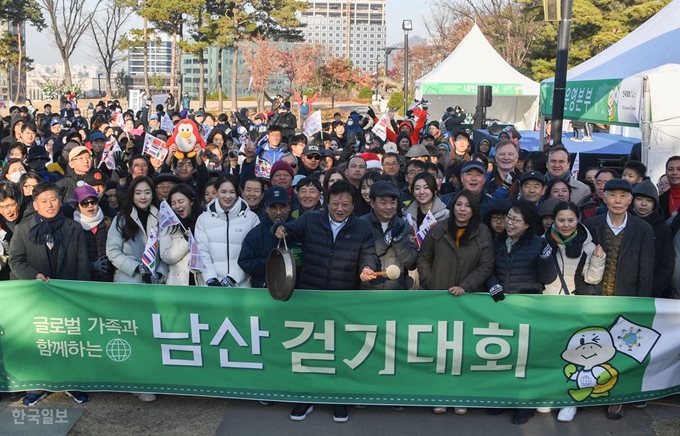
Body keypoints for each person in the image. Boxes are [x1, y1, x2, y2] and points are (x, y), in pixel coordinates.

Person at [273, 180, 379, 423]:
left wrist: (367, 268)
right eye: (335, 203)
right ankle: (306, 397)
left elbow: (369, 256)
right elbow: (285, 228)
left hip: (342, 298)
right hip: (310, 295)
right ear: (326, 202)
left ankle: (338, 398)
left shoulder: (362, 229)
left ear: (354, 205)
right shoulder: (311, 220)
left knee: (340, 350)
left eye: (345, 204)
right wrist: (277, 230)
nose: (340, 208)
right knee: (310, 349)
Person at [8, 181, 90, 406]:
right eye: (43, 201)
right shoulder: (23, 229)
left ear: (60, 200)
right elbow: (15, 259)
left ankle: (71, 383)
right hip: (35, 296)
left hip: (67, 296)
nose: (49, 204)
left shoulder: (73, 228)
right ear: (35, 205)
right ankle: (38, 385)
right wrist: (34, 276)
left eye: (53, 199)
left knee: (67, 339)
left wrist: (80, 293)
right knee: (40, 339)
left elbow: (82, 263)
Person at [583, 178, 654, 419]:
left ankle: (621, 396)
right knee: (596, 348)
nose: (618, 200)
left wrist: (641, 305)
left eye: (624, 196)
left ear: (631, 200)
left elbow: (646, 271)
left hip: (628, 297)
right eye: (613, 195)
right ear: (604, 197)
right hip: (597, 297)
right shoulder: (591, 224)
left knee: (626, 350)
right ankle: (593, 389)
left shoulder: (643, 229)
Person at [418, 188, 495, 408]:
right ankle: (439, 395)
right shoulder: (439, 229)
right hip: (439, 299)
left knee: (464, 352)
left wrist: (465, 286)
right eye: (459, 205)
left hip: (467, 301)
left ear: (474, 210)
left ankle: (461, 396)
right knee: (439, 351)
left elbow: (486, 265)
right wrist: (430, 283)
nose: (462, 210)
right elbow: (423, 258)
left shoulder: (482, 233)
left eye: (467, 206)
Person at [485, 199, 558, 425]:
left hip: (527, 308)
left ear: (527, 224)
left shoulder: (538, 244)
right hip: (501, 307)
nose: (509, 223)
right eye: (508, 217)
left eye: (516, 219)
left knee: (524, 359)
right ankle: (504, 399)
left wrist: (547, 257)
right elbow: (487, 268)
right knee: (503, 355)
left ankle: (524, 405)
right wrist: (492, 284)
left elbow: (548, 278)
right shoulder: (497, 241)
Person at [194, 174, 260, 288]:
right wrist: (210, 278)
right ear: (216, 192)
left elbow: (254, 253)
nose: (228, 196)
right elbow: (202, 252)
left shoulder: (251, 218)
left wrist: (233, 278)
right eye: (223, 192)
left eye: (232, 192)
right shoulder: (203, 219)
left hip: (242, 286)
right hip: (211, 287)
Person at [239, 186, 302, 288]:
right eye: (273, 207)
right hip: (265, 292)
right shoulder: (256, 234)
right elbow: (244, 262)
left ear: (289, 206)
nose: (278, 212)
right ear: (266, 208)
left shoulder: (300, 229)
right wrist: (271, 262)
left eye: (282, 207)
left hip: (297, 292)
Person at [360, 180, 418, 290]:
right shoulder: (361, 224)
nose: (389, 207)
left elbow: (411, 262)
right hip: (367, 290)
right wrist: (387, 239)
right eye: (383, 203)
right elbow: (361, 255)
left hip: (396, 291)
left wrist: (398, 241)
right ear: (372, 203)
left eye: (393, 202)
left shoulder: (404, 225)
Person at [630, 180, 673, 298]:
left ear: (655, 203)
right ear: (632, 200)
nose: (644, 204)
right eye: (639, 199)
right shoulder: (623, 223)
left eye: (649, 200)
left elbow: (666, 266)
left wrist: (649, 289)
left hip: (652, 294)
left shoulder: (663, 230)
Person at [160, 184, 205, 286]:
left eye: (181, 202)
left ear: (191, 201)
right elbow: (166, 257)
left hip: (201, 281)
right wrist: (185, 240)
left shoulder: (203, 220)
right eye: (173, 203)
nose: (177, 206)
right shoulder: (169, 225)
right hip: (178, 283)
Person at [70, 185, 114, 282]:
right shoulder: (71, 227)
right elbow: (69, 259)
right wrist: (90, 266)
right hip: (85, 282)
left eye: (93, 201)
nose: (90, 206)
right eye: (84, 203)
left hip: (109, 281)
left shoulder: (109, 222)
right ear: (77, 206)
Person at [0, 181, 25, 280]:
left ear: (19, 201)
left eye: (10, 205)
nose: (7, 212)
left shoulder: (32, 217)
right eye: (1, 207)